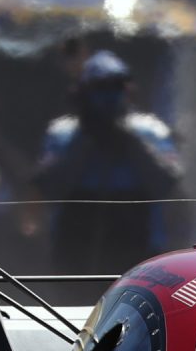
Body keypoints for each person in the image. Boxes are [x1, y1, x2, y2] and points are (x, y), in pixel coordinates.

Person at [32, 50, 185, 275]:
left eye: (115, 87)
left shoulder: (150, 130)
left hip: (135, 239)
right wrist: (85, 143)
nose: (107, 96)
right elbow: (48, 187)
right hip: (75, 243)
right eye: (99, 88)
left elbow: (167, 182)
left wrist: (131, 142)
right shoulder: (63, 133)